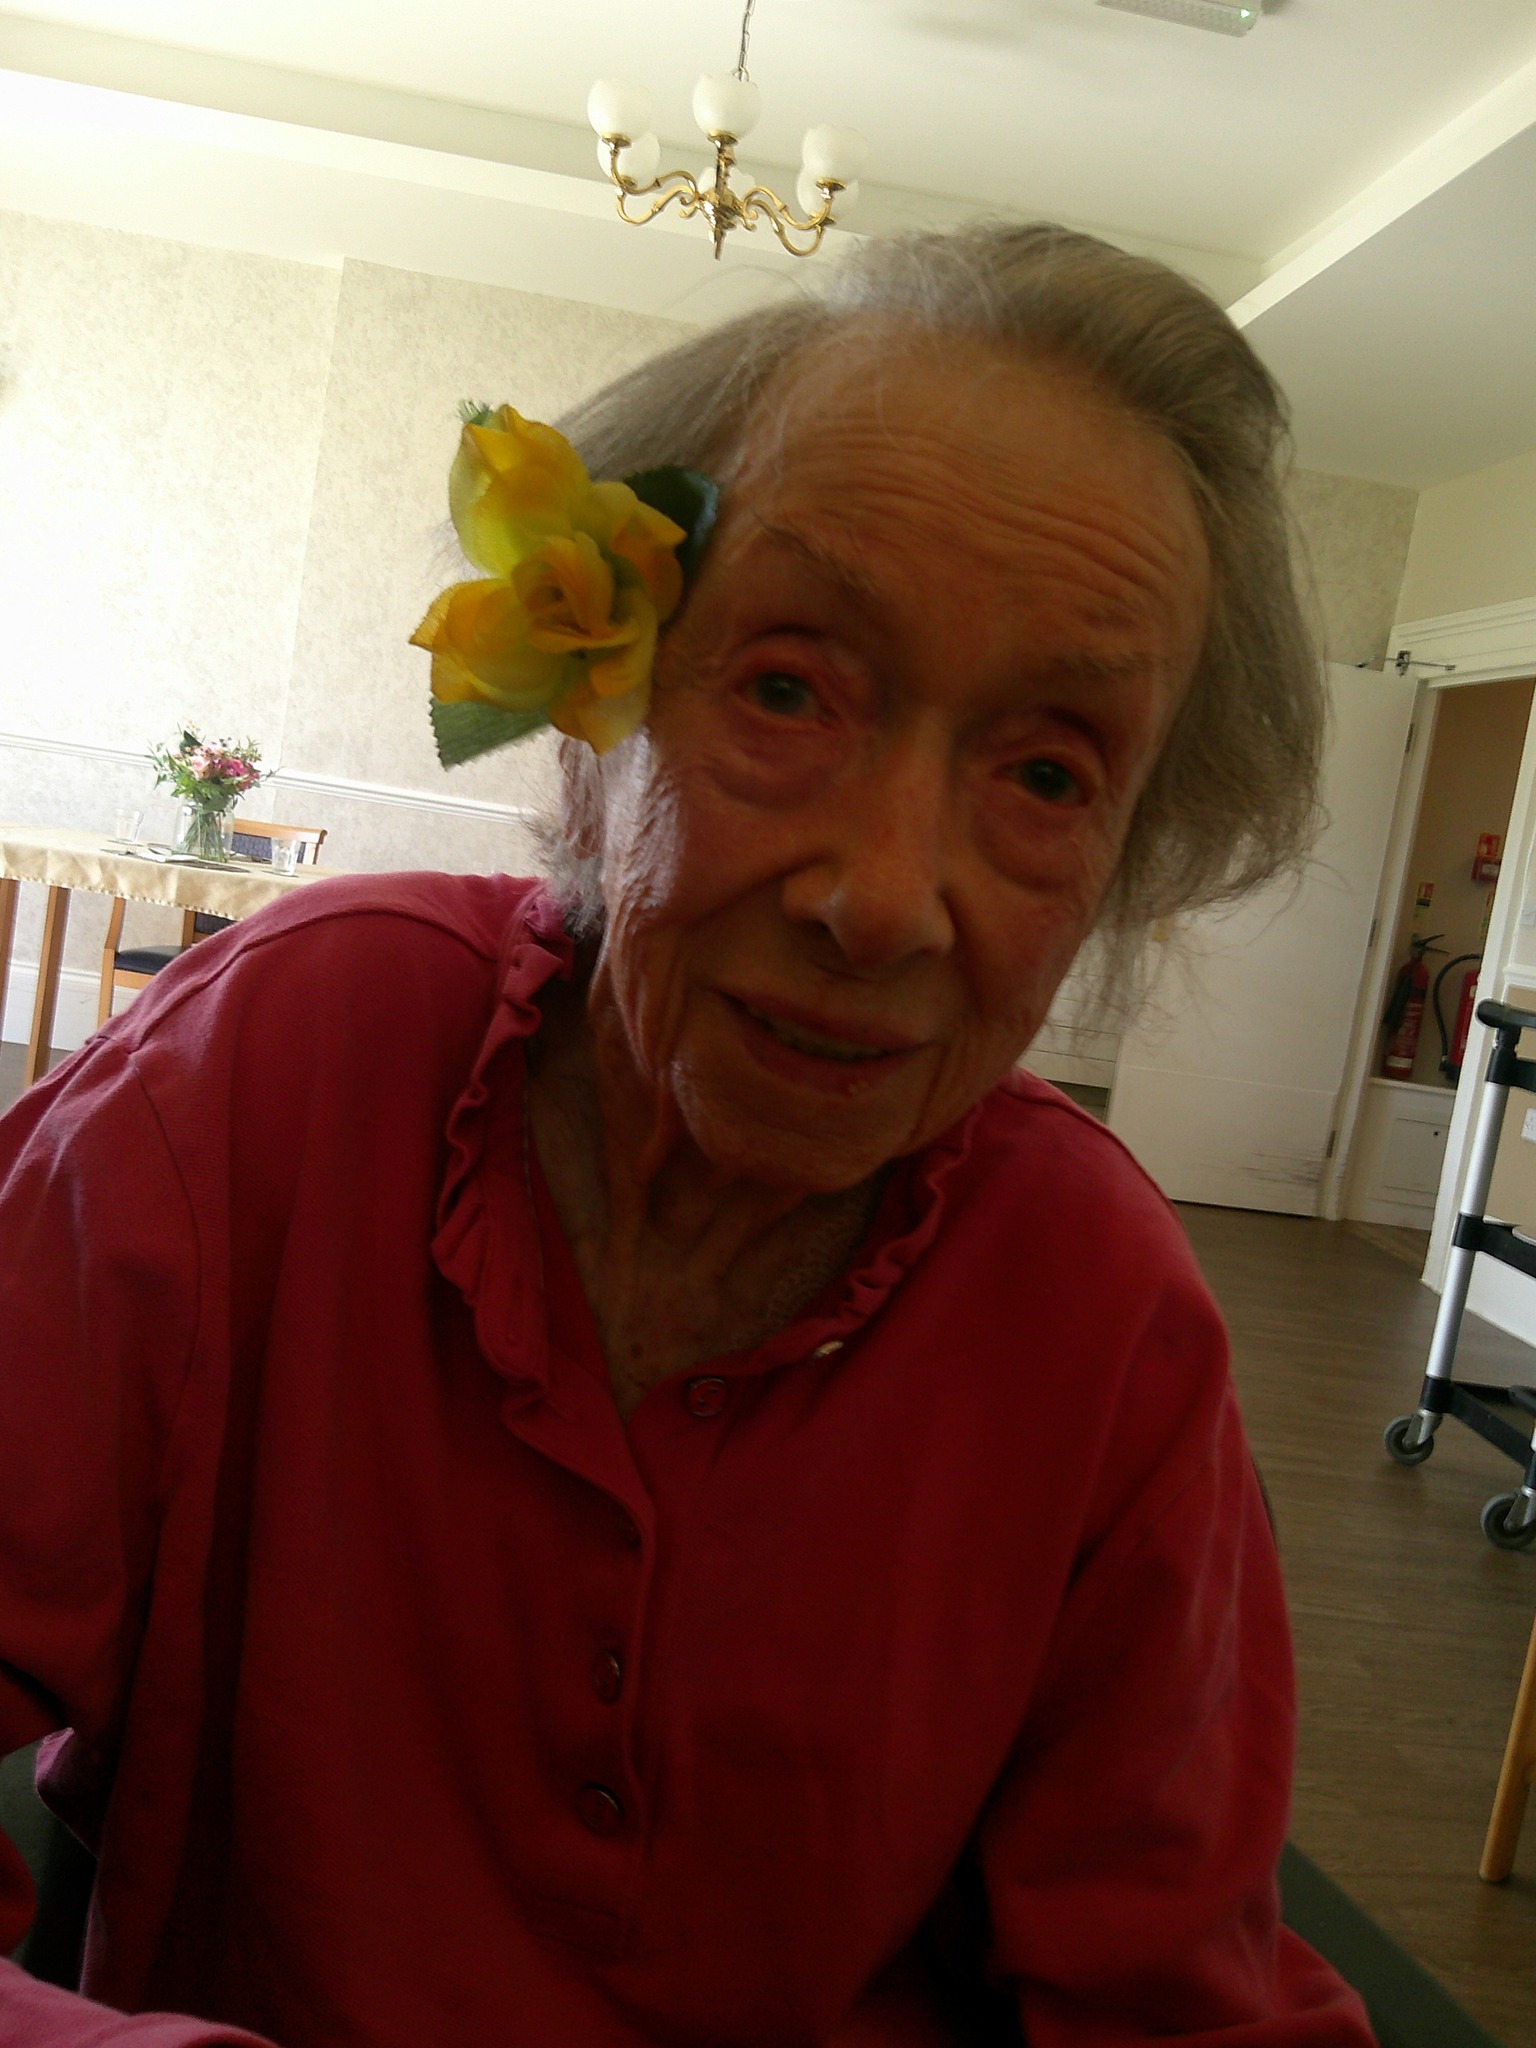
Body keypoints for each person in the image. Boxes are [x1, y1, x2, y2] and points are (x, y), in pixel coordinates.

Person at [0, 222, 1374, 2045]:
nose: (886, 900)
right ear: (598, 727)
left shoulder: (1100, 1316)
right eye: (790, 688)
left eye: (1047, 773)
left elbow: (1169, 1997)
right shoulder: (277, 1067)